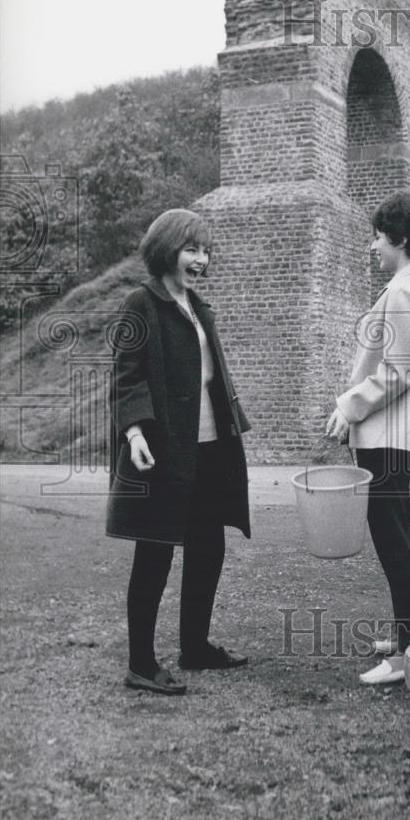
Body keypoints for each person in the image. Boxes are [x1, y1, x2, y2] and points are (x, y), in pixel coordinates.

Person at [107, 209, 251, 695]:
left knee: (208, 546)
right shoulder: (139, 304)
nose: (201, 260)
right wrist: (135, 433)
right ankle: (141, 664)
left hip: (210, 449)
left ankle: (195, 646)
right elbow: (127, 377)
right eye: (192, 249)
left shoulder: (198, 307)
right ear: (166, 248)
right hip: (164, 448)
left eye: (205, 251)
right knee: (155, 552)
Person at [326, 191, 410, 686]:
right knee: (399, 537)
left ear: (399, 238)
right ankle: (407, 636)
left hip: (386, 435)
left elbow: (397, 373)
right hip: (392, 433)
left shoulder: (402, 291)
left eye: (377, 236)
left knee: (394, 540)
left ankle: (406, 654)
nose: (373, 245)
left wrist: (346, 406)